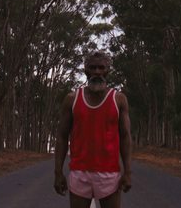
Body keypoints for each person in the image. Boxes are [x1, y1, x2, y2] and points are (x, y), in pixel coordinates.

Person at [54, 51, 132, 208]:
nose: (97, 71)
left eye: (101, 68)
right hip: (79, 172)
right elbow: (62, 136)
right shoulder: (72, 99)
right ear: (85, 71)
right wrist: (58, 173)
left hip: (109, 174)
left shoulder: (119, 99)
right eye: (92, 67)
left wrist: (128, 172)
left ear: (107, 70)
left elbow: (125, 137)